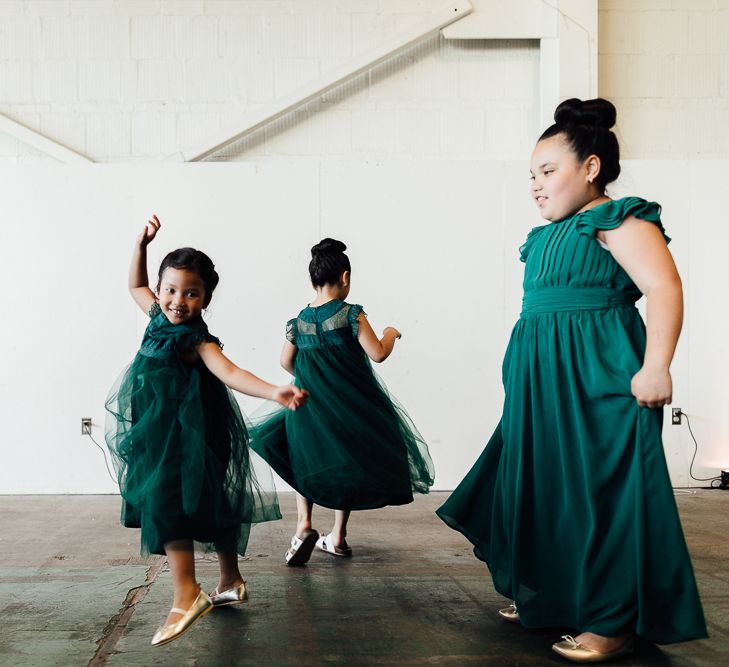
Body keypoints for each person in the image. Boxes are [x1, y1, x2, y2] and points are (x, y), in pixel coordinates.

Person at [436, 98, 707, 663]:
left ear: (590, 168)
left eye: (548, 171)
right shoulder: (541, 238)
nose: (535, 186)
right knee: (544, 489)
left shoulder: (619, 217)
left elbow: (664, 288)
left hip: (600, 375)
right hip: (540, 382)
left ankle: (612, 622)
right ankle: (554, 596)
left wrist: (656, 365)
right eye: (530, 176)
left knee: (604, 495)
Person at [105, 215, 307, 646]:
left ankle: (186, 595)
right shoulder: (156, 313)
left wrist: (275, 391)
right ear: (161, 291)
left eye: (191, 293)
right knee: (208, 501)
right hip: (161, 430)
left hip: (186, 433)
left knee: (167, 502)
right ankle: (230, 580)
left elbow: (231, 371)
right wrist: (141, 246)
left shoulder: (198, 339)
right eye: (171, 290)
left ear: (206, 298)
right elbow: (135, 285)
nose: (179, 301)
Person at [250, 238, 434, 565]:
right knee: (343, 462)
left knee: (304, 458)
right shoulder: (351, 314)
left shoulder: (299, 321)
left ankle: (303, 525)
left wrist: (310, 377)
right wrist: (391, 332)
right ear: (345, 277)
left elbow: (285, 361)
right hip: (348, 408)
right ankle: (337, 535)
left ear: (312, 280)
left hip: (307, 406)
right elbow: (377, 353)